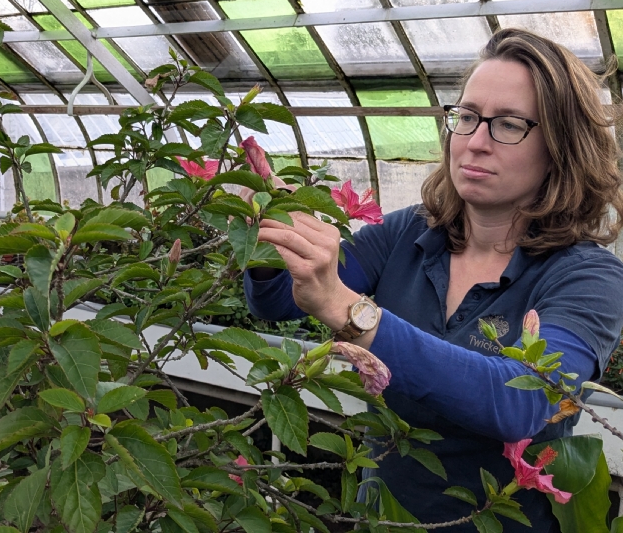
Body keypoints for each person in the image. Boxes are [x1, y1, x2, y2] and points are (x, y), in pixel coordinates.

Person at [244, 28, 623, 532]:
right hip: (382, 518)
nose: (475, 142)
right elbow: (278, 301)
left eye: (508, 124)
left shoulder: (589, 277)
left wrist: (349, 310)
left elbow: (522, 402)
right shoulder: (410, 232)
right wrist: (275, 238)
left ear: (562, 146)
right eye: (466, 117)